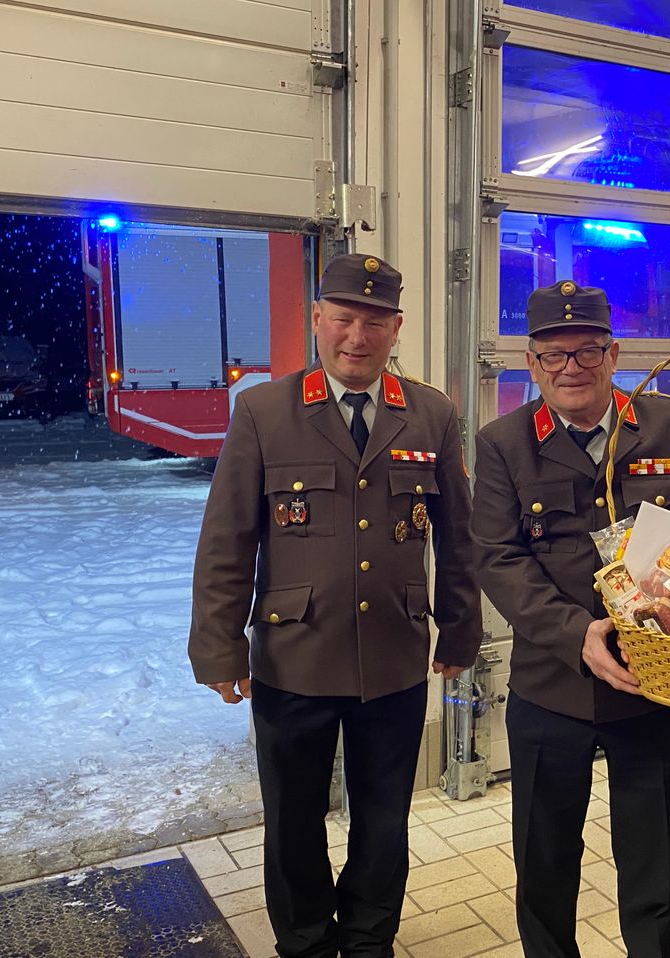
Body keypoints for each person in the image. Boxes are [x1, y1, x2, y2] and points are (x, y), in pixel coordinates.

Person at [188, 252, 480, 958]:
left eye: (375, 323)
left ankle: (370, 940)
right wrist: (220, 647)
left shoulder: (432, 415)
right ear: (317, 319)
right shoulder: (264, 411)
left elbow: (459, 535)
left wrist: (459, 629)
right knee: (293, 823)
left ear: (396, 328)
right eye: (344, 318)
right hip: (295, 657)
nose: (357, 336)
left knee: (385, 821)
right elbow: (228, 538)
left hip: (394, 656)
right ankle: (306, 943)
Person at [471, 280, 670, 958]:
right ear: (532, 364)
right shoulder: (503, 444)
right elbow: (497, 556)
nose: (571, 368)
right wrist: (573, 633)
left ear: (613, 355)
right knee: (544, 864)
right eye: (553, 355)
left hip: (656, 687)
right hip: (552, 684)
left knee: (654, 867)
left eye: (587, 351)